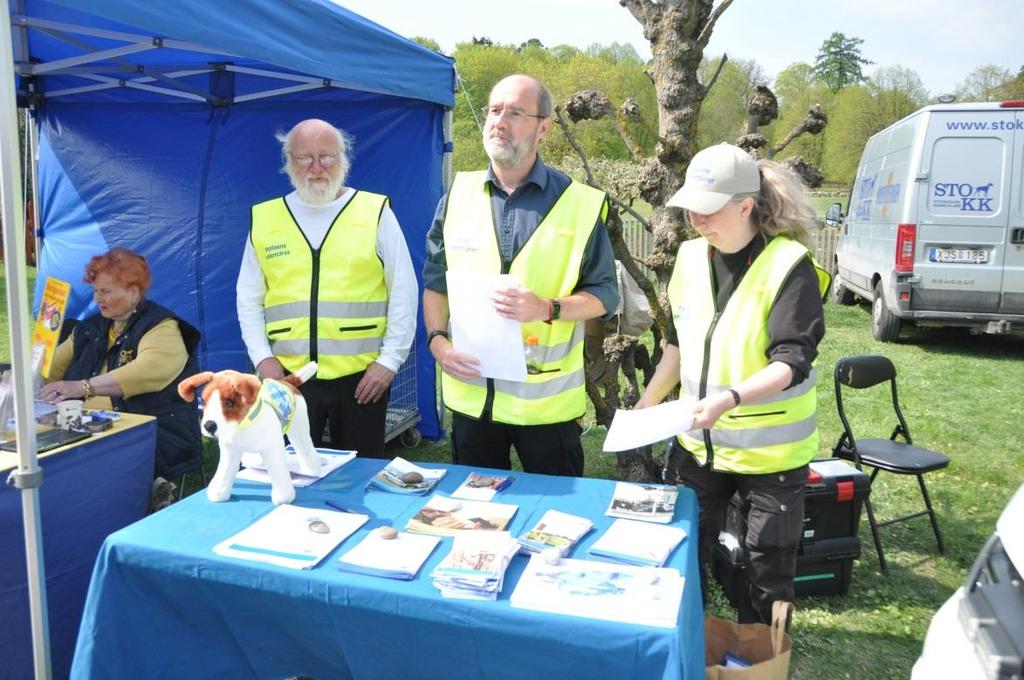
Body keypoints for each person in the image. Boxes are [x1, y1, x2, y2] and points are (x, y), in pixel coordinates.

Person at [636, 143, 830, 624]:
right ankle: (691, 644)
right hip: (699, 447)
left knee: (767, 569)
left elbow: (791, 362)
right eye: (690, 210)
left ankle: (763, 655)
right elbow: (678, 346)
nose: (697, 221)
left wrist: (730, 399)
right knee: (683, 552)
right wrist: (646, 403)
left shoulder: (790, 265)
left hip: (770, 456)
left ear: (746, 206)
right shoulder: (686, 258)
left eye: (708, 210)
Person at [422, 74, 619, 477]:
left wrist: (546, 308)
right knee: (474, 520)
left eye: (515, 112)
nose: (499, 121)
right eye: (495, 110)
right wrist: (437, 342)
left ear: (542, 127)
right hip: (473, 401)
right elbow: (436, 281)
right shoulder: (457, 196)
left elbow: (604, 294)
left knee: (554, 524)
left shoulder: (578, 204)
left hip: (545, 407)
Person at [237, 119, 417, 457]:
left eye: (327, 156)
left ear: (344, 157)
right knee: (289, 471)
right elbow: (247, 299)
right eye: (305, 158)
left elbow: (404, 292)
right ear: (288, 160)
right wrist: (263, 360)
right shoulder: (265, 218)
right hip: (289, 378)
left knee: (361, 476)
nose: (317, 167)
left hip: (362, 379)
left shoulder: (374, 212)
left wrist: (389, 362)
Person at [38, 247, 203, 480]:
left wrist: (82, 386)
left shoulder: (162, 326)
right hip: (86, 430)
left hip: (152, 434)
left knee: (70, 468)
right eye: (95, 291)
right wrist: (29, 369)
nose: (97, 298)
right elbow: (50, 368)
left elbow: (146, 370)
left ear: (134, 292)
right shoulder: (90, 328)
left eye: (105, 291)